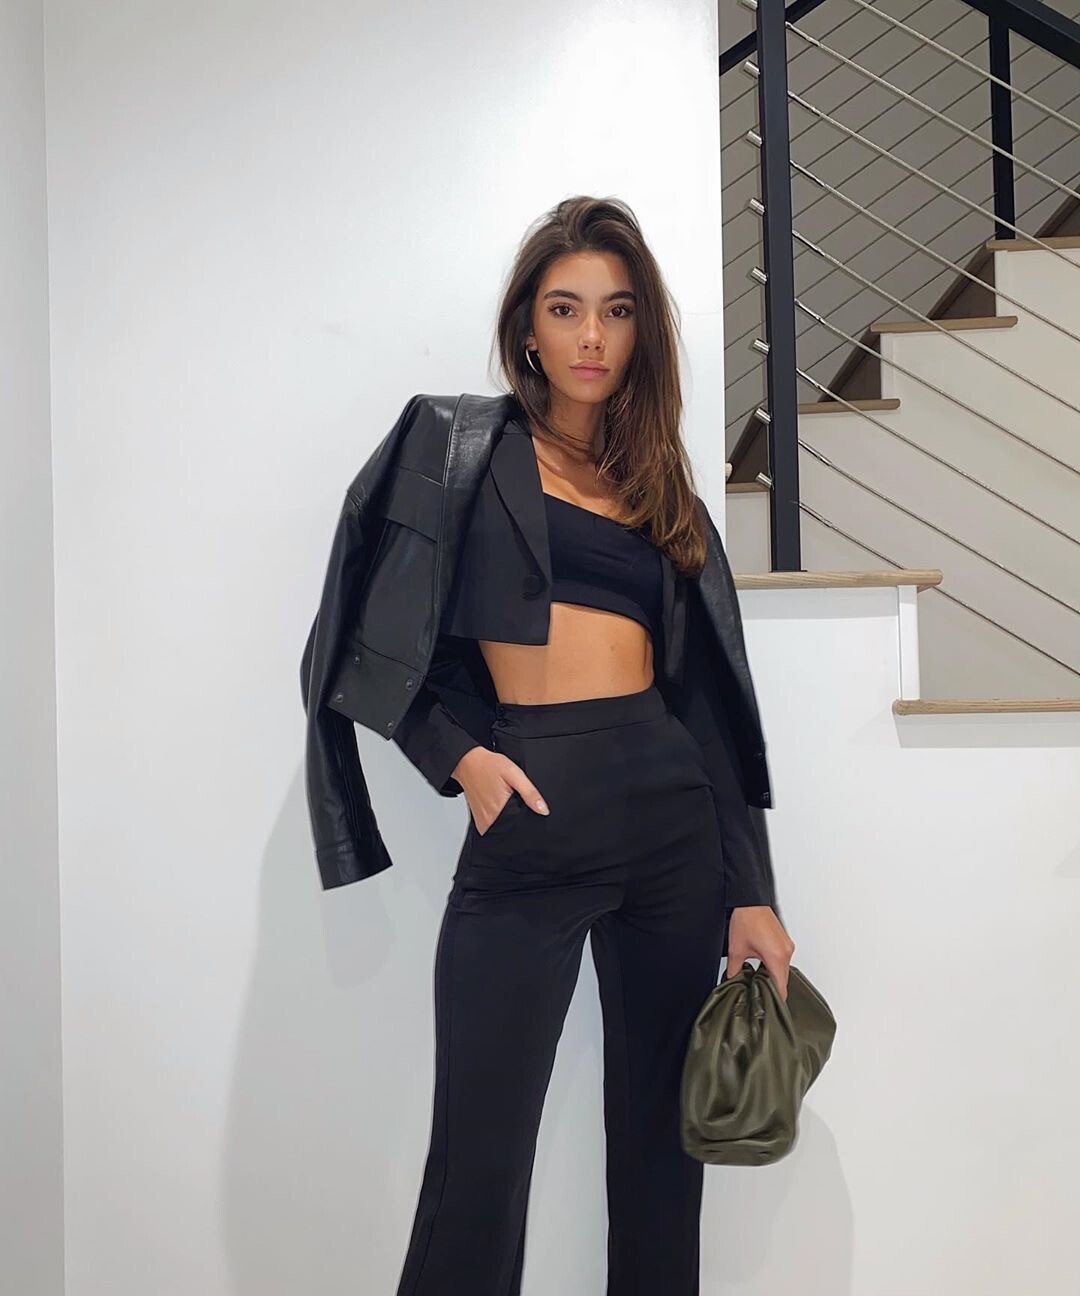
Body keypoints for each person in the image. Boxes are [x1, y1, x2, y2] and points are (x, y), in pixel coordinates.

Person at [304, 195, 795, 1296]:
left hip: (670, 825)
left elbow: (707, 708)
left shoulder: (659, 486)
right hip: (531, 822)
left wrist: (751, 891)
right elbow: (368, 644)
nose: (590, 336)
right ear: (527, 325)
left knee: (664, 1157)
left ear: (640, 331)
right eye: (565, 308)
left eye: (615, 311)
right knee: (477, 1166)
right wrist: (460, 758)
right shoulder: (460, 450)